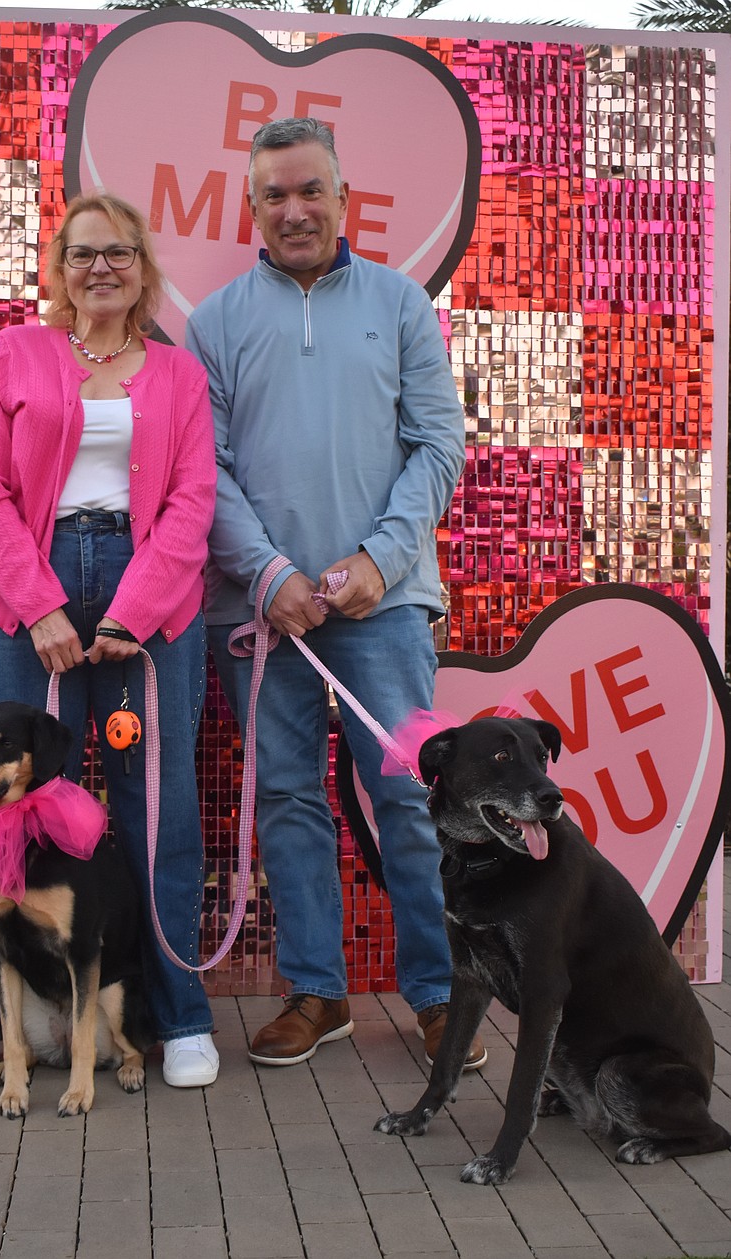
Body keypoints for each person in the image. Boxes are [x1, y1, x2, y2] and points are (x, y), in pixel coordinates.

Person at [0, 192, 220, 1094]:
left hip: (148, 591)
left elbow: (193, 501)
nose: (101, 268)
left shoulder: (179, 374)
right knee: (3, 810)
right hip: (26, 587)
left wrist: (132, 610)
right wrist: (40, 604)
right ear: (60, 269)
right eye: (83, 253)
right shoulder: (16, 354)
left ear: (142, 268)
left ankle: (178, 1016)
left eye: (119, 253)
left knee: (157, 809)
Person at [186, 118, 486, 1071]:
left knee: (408, 797)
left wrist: (378, 562)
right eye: (274, 195)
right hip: (259, 614)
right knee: (285, 798)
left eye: (310, 190)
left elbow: (438, 446)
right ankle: (317, 992)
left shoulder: (400, 305)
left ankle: (438, 994)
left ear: (344, 199)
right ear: (252, 208)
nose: (294, 210)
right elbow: (203, 471)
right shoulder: (214, 322)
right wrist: (268, 574)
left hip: (383, 608)